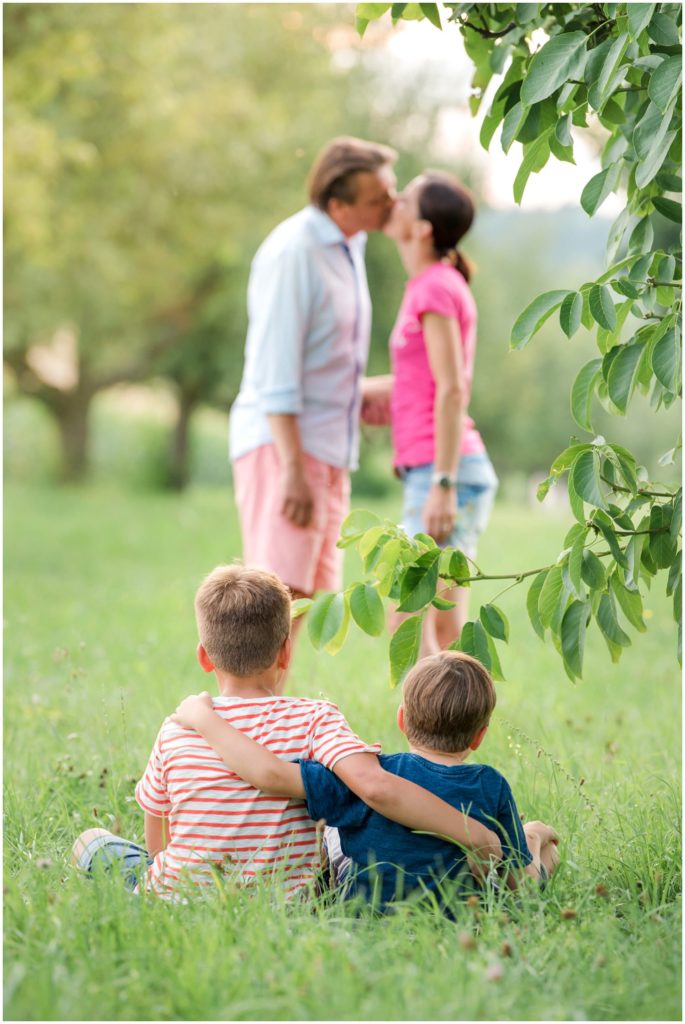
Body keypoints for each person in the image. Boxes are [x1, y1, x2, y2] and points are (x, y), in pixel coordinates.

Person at [71, 565, 502, 898]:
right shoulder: (316, 718)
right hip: (291, 900)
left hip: (178, 895)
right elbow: (374, 787)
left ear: (205, 657)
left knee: (91, 842)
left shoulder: (178, 727)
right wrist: (473, 832)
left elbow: (158, 844)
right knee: (339, 832)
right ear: (285, 651)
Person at [171, 650, 559, 913]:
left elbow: (270, 772)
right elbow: (516, 886)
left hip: (363, 911)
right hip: (459, 913)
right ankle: (537, 837)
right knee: (541, 847)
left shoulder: (364, 777)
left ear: (402, 719)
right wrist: (535, 840)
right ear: (480, 735)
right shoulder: (491, 786)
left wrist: (204, 719)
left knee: (333, 832)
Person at [229, 137, 397, 686]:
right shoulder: (295, 251)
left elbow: (323, 355)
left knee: (298, 600)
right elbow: (277, 368)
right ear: (338, 203)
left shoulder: (349, 246)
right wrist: (293, 471)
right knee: (268, 606)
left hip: (325, 447)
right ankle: (236, 734)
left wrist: (363, 395)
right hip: (285, 450)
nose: (391, 204)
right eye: (379, 197)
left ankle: (267, 723)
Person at [361, 172, 498, 655]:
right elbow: (422, 382)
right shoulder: (431, 284)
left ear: (422, 228)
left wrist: (443, 480)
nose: (394, 201)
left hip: (446, 473)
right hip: (441, 470)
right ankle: (447, 727)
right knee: (440, 624)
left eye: (406, 199)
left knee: (414, 616)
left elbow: (453, 388)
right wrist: (357, 393)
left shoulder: (433, 289)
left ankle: (439, 727)